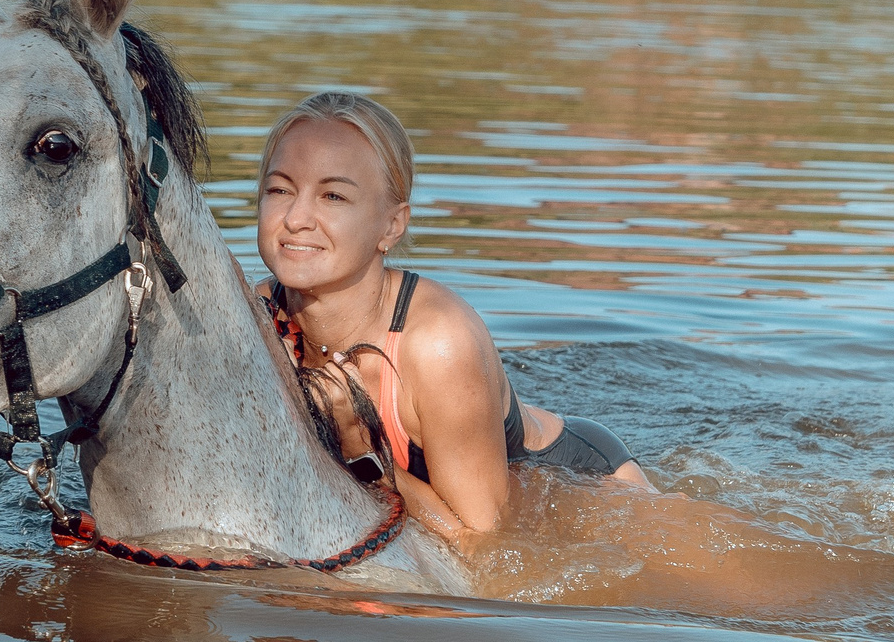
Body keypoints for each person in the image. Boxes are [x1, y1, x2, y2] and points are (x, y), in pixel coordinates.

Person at [253, 91, 649, 541]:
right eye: (280, 189)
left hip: (579, 484)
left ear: (392, 226)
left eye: (334, 196)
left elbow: (482, 548)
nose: (297, 218)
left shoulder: (438, 343)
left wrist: (358, 446)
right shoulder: (259, 315)